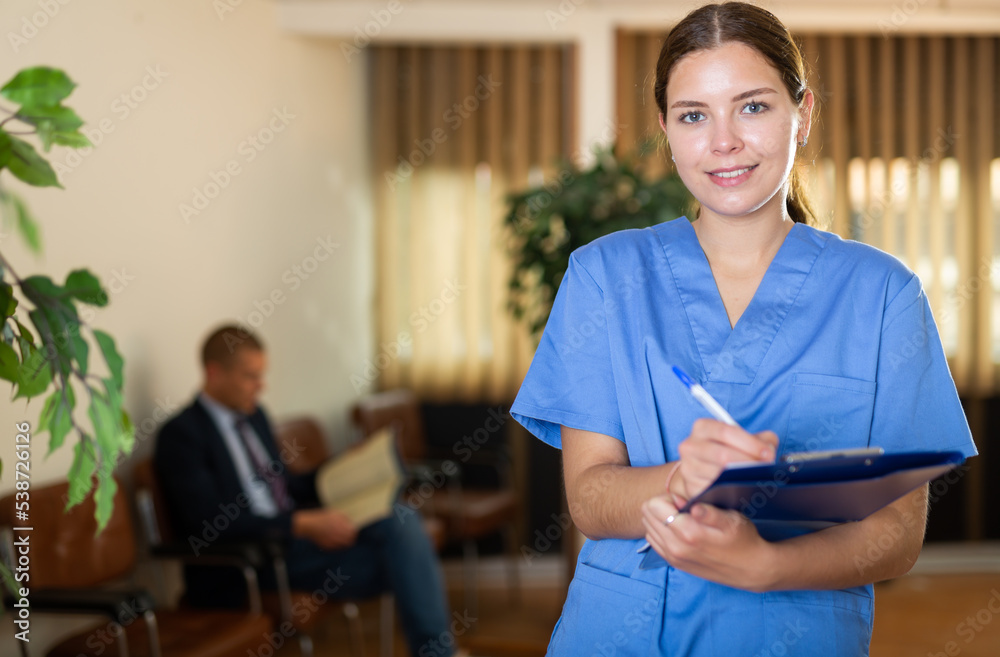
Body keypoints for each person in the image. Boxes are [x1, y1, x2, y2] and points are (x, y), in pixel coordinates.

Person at [509, 2, 977, 655]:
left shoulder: (882, 293)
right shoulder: (603, 275)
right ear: (668, 130)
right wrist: (681, 477)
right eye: (693, 115)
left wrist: (767, 566)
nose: (722, 141)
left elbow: (898, 532)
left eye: (752, 106)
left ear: (803, 113)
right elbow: (590, 498)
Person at [154, 325, 462, 657]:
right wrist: (301, 524)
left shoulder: (255, 416)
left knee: (400, 515)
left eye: (262, 375)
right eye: (250, 377)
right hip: (254, 560)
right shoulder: (181, 435)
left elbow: (286, 486)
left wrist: (342, 467)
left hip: (296, 543)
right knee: (407, 562)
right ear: (214, 373)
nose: (261, 387)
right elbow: (210, 524)